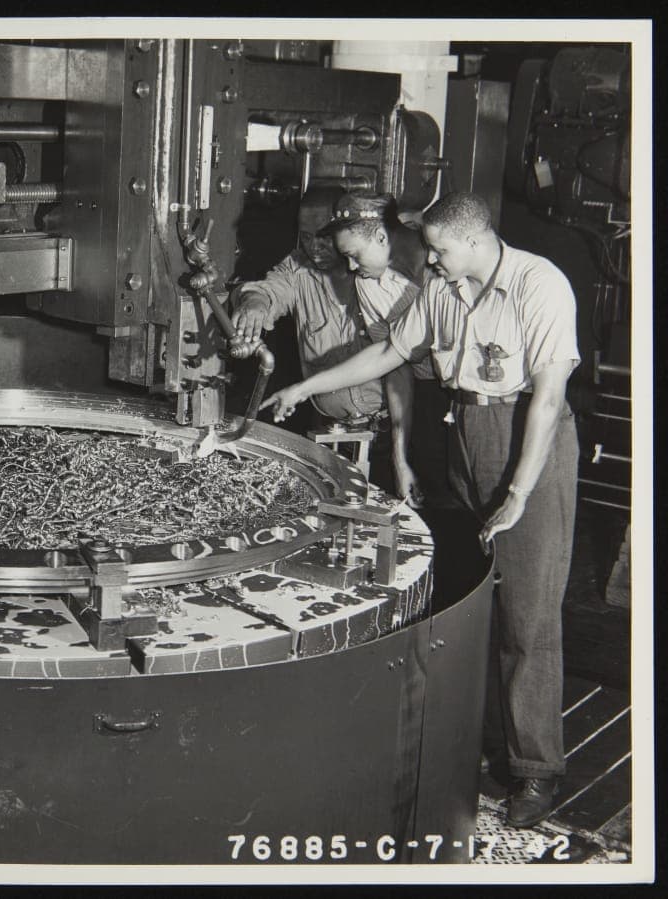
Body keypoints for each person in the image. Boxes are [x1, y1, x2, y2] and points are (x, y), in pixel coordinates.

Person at [264, 191, 580, 829]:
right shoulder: (443, 288)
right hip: (463, 432)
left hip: (525, 437)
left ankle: (536, 772)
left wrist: (518, 493)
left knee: (529, 618)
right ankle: (488, 744)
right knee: (474, 602)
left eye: (437, 250)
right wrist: (303, 386)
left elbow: (547, 398)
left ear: (473, 239)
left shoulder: (537, 283)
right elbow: (390, 354)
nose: (427, 262)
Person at [230, 190, 400, 495]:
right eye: (306, 237)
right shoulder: (298, 268)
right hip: (329, 434)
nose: (314, 248)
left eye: (323, 238)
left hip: (388, 438)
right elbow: (269, 290)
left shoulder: (378, 268)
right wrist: (254, 303)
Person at [317, 191, 455, 509]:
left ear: (381, 236)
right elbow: (394, 366)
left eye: (354, 254)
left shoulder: (446, 266)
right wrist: (400, 458)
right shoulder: (368, 282)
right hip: (427, 396)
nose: (351, 267)